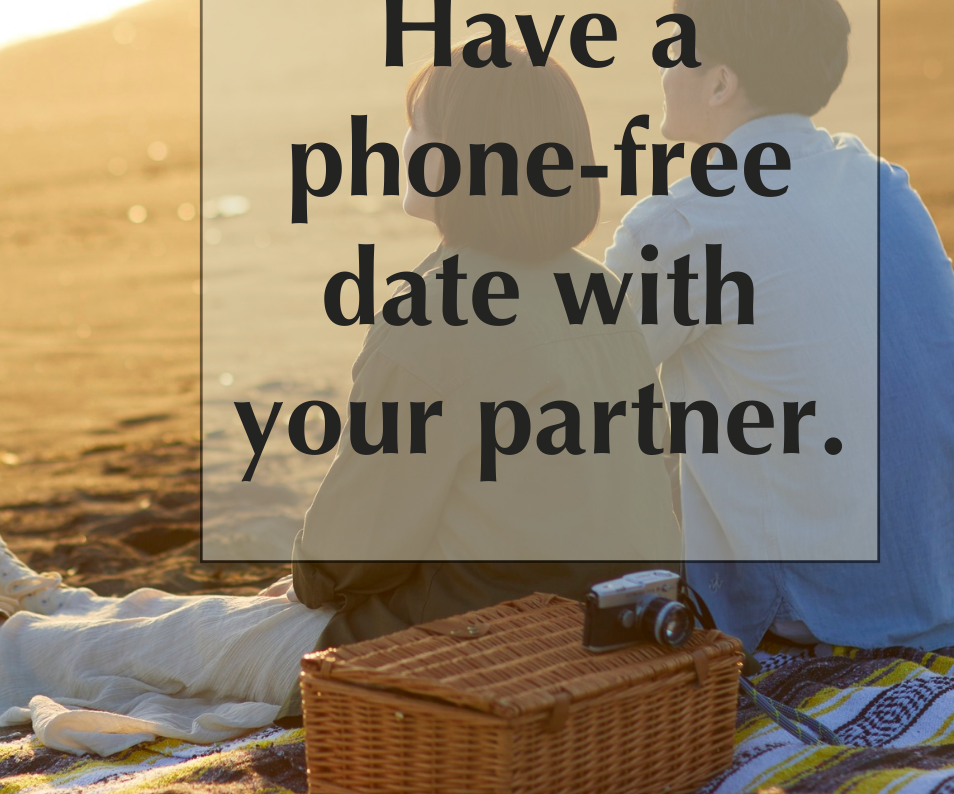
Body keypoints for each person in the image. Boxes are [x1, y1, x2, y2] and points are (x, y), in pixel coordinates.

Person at [0, 46, 678, 755]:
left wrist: (311, 581)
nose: (406, 143)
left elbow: (352, 551)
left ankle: (27, 630)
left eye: (420, 125)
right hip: (607, 633)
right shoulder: (599, 292)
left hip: (459, 652)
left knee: (178, 643)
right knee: (193, 621)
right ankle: (55, 603)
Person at [606, 0, 954, 655]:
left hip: (827, 608)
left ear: (720, 83)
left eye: (676, 53)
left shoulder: (687, 223)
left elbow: (585, 372)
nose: (664, 72)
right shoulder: (885, 185)